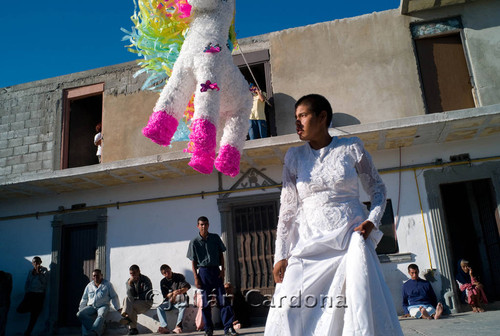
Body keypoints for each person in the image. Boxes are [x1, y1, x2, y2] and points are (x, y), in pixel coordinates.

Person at [264, 94, 403, 336]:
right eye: (295, 118)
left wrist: (372, 221)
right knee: (287, 306)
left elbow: (378, 189)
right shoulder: (294, 157)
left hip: (349, 240)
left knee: (351, 309)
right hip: (307, 244)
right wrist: (281, 255)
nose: (297, 123)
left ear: (322, 117)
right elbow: (287, 209)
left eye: (303, 116)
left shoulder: (351, 147)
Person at [187, 216, 238, 336]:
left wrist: (222, 270)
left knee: (223, 301)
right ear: (198, 226)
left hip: (216, 271)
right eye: (201, 224)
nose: (204, 226)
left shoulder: (215, 238)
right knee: (205, 303)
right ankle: (208, 329)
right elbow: (193, 261)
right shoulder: (194, 242)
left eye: (205, 224)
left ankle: (229, 328)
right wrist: (196, 277)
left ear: (208, 225)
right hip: (203, 273)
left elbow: (221, 255)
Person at [76, 269, 120, 336]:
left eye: (98, 275)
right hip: (91, 306)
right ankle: (100, 327)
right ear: (92, 277)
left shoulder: (107, 284)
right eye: (94, 276)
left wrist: (118, 308)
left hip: (103, 305)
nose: (96, 277)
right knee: (80, 314)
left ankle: (94, 332)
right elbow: (84, 298)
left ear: (101, 276)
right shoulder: (89, 286)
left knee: (101, 315)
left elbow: (114, 296)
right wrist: (81, 308)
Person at [17, 256, 48, 336]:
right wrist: (27, 291)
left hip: (39, 294)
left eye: (37, 262)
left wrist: (38, 273)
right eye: (34, 262)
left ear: (40, 262)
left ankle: (28, 332)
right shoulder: (30, 271)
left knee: (34, 316)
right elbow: (27, 282)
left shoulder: (44, 270)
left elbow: (44, 282)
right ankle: (32, 308)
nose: (35, 264)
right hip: (30, 294)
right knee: (20, 309)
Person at [156, 264, 191, 334]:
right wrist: (173, 293)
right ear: (163, 274)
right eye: (164, 273)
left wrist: (180, 291)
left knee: (183, 306)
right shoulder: (163, 282)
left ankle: (178, 326)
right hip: (169, 301)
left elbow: (186, 287)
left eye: (168, 271)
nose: (167, 273)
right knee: (159, 308)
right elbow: (165, 295)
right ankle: (164, 327)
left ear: (170, 269)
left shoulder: (179, 277)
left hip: (180, 299)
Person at [120, 265, 153, 335]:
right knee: (127, 300)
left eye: (134, 273)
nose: (133, 275)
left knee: (129, 304)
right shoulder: (129, 281)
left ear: (139, 271)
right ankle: (133, 329)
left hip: (146, 302)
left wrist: (135, 298)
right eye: (131, 274)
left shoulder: (145, 279)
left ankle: (126, 316)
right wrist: (130, 284)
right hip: (135, 303)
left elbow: (147, 294)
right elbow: (129, 295)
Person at [0, 270, 12, 336]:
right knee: (2, 322)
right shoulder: (7, 276)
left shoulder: (7, 276)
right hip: (4, 303)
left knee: (2, 322)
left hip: (4, 303)